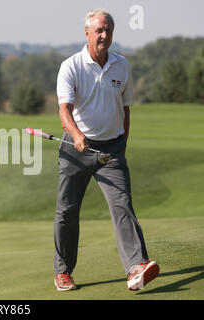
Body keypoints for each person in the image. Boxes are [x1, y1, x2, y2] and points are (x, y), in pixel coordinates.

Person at [53, 8, 159, 291]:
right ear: (87, 33)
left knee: (122, 205)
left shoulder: (122, 65)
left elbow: (125, 108)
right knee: (67, 211)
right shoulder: (71, 66)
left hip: (111, 151)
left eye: (108, 30)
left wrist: (123, 142)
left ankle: (137, 268)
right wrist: (75, 134)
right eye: (99, 30)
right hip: (76, 149)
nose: (104, 35)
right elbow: (64, 110)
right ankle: (62, 271)